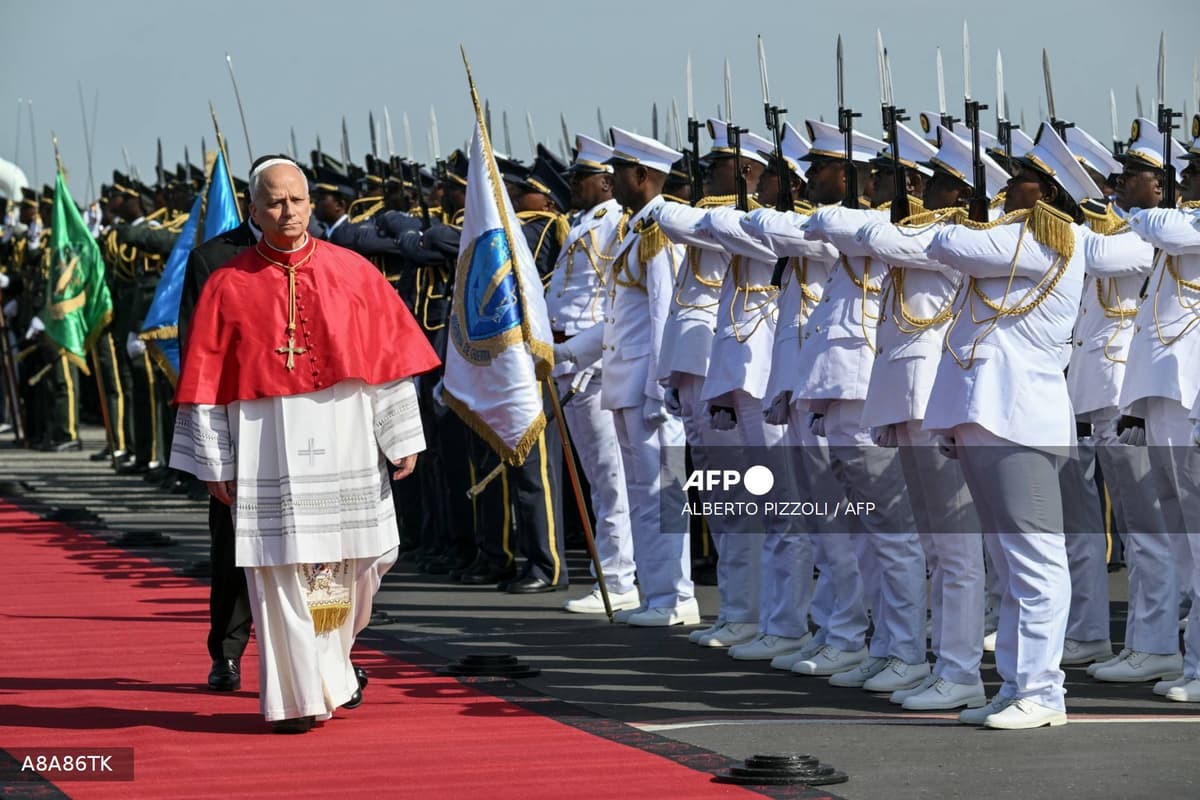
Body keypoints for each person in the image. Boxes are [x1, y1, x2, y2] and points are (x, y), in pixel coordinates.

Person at [169, 157, 439, 732]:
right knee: (280, 571)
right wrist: (216, 461)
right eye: (273, 201)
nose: (286, 211)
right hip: (266, 441)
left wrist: (399, 434)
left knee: (362, 562)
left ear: (310, 203)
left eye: (295, 200)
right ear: (253, 211)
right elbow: (206, 383)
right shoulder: (226, 282)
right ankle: (295, 698)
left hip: (345, 433)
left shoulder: (355, 271)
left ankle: (333, 664)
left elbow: (388, 365)